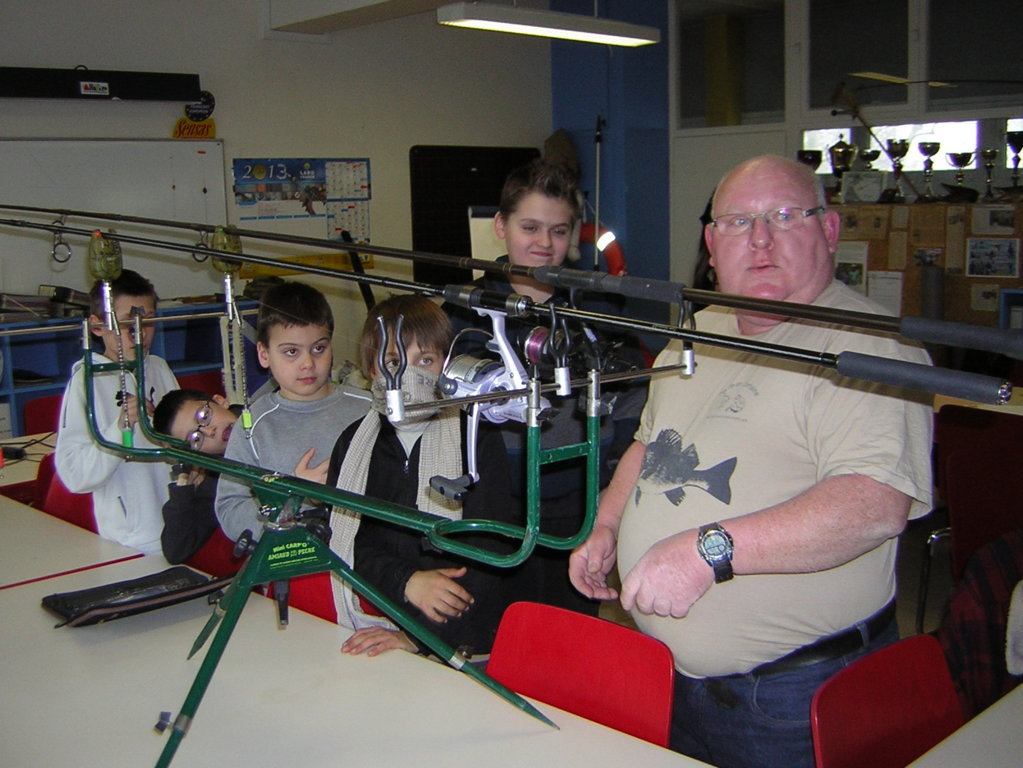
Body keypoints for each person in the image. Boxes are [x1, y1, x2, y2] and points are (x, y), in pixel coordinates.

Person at [569, 155, 934, 768]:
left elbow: (874, 505)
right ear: (712, 244)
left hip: (792, 695)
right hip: (673, 677)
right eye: (738, 222)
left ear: (830, 230)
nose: (760, 239)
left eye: (784, 216)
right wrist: (606, 526)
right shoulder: (698, 332)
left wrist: (705, 551)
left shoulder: (874, 347)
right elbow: (648, 446)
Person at [444, 159, 646, 617]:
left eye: (558, 231)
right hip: (490, 503)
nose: (543, 244)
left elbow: (636, 397)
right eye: (530, 227)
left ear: (573, 235)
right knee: (490, 628)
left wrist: (608, 484)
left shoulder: (600, 309)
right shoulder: (463, 310)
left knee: (566, 634)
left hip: (578, 502)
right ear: (501, 225)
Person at [328, 294, 524, 659]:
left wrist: (419, 637)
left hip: (462, 637)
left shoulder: (476, 438)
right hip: (379, 620)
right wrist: (407, 583)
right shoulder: (353, 444)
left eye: (426, 360)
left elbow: (490, 550)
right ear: (372, 369)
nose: (409, 375)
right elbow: (346, 540)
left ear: (446, 367)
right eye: (393, 362)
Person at [214, 280, 370, 542]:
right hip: (291, 566)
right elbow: (230, 507)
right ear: (264, 354)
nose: (308, 363)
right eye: (291, 352)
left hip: (368, 559)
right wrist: (294, 499)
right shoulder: (253, 425)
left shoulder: (368, 408)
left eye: (319, 348)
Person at [55, 269, 179, 555]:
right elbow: (75, 476)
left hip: (180, 524)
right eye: (126, 325)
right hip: (131, 540)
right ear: (97, 327)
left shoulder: (158, 368)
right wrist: (120, 427)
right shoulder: (87, 382)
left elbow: (180, 444)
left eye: (147, 322)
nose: (140, 335)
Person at [152, 388, 240, 564]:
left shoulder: (269, 413)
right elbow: (176, 550)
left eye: (204, 416)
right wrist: (184, 489)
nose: (209, 431)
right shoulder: (217, 475)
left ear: (220, 401)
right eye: (195, 438)